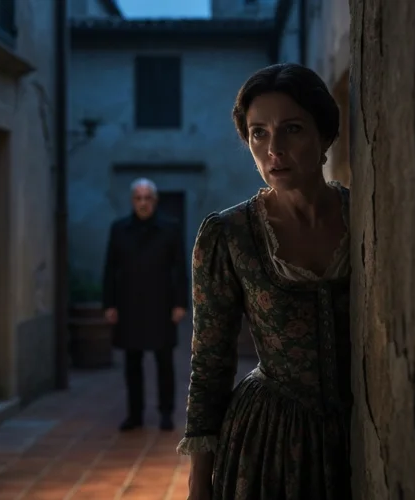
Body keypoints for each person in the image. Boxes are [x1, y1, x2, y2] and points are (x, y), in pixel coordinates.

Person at [177, 63, 351, 499]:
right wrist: (200, 484)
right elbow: (210, 364)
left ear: (325, 136)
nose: (273, 148)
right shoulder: (231, 234)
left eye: (291, 129)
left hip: (360, 430)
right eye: (258, 133)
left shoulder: (367, 216)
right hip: (270, 443)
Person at [103, 178, 189, 432]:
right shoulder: (119, 229)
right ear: (132, 201)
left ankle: (165, 413)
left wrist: (180, 303)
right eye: (138, 198)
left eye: (147, 198)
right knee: (132, 363)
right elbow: (110, 269)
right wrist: (109, 304)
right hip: (129, 305)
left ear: (155, 200)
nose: (143, 203)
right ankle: (135, 414)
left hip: (161, 305)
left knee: (164, 362)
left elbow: (180, 269)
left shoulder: (170, 229)